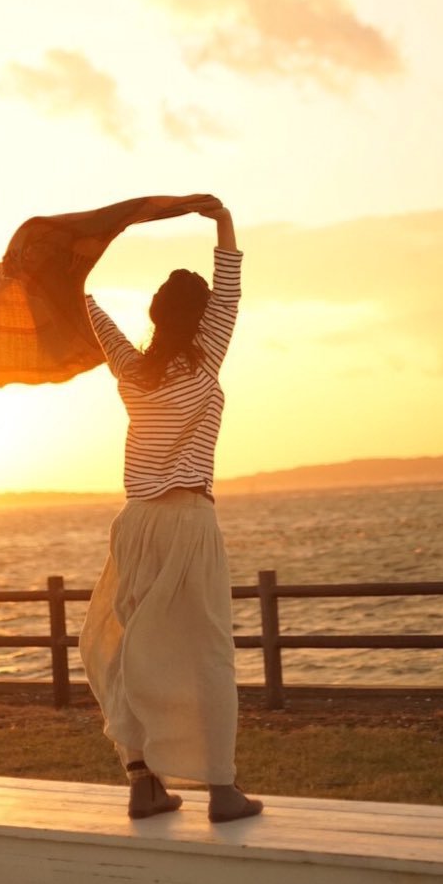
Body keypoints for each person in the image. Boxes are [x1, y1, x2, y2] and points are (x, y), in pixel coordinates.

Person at [78, 194, 263, 824]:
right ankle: (222, 791)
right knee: (203, 650)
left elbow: (88, 310)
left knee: (128, 647)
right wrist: (220, 218)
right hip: (186, 519)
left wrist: (67, 269)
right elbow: (231, 283)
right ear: (203, 315)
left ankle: (143, 782)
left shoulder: (133, 371)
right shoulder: (204, 357)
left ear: (156, 316)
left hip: (134, 526)